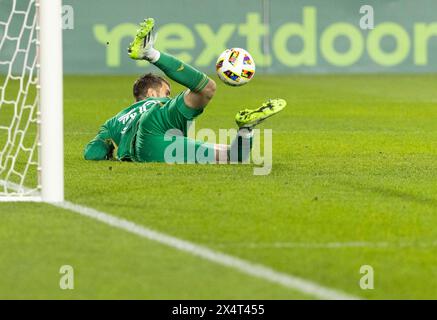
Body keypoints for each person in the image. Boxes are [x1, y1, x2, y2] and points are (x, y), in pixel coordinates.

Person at [84, 18, 286, 163]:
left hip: (150, 146)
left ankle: (246, 128)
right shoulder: (156, 105)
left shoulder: (113, 122)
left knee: (233, 157)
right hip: (156, 125)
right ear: (153, 95)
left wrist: (110, 149)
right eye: (167, 93)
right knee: (207, 88)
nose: (169, 97)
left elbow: (91, 153)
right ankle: (150, 53)